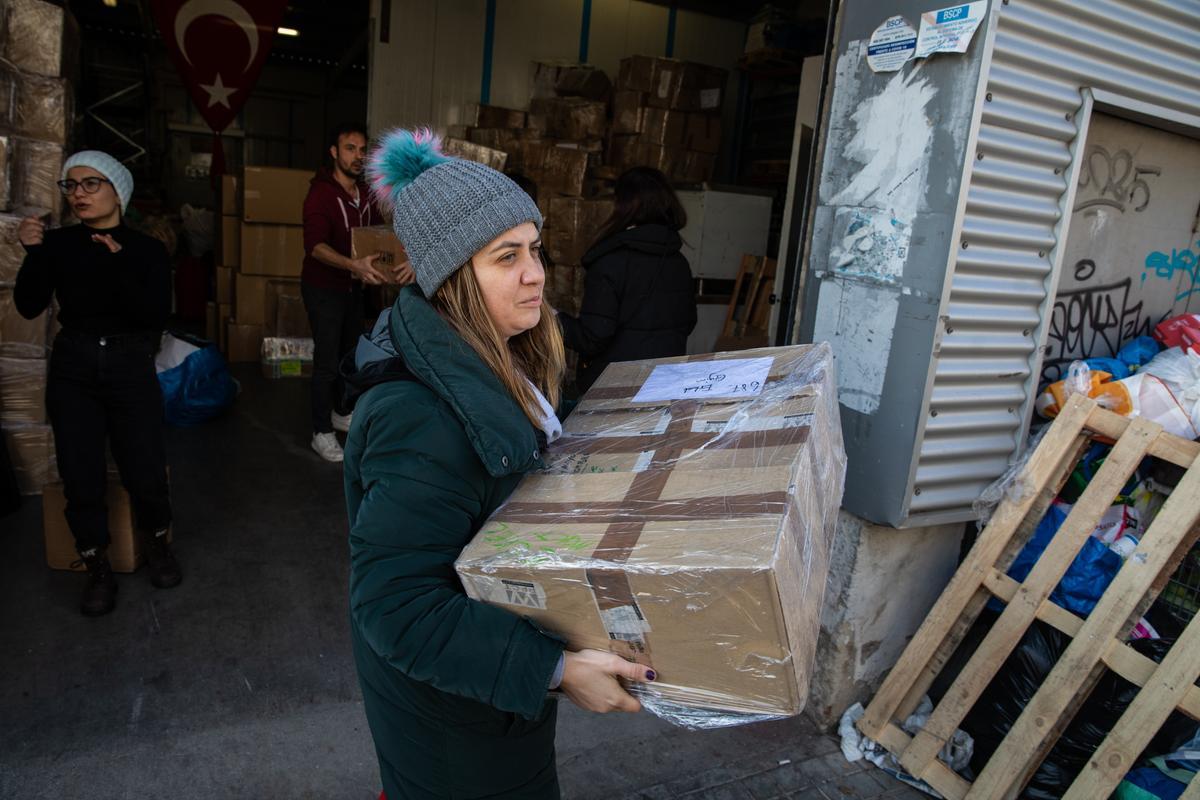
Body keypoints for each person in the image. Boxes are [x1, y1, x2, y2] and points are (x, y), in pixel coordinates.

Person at [343, 129, 656, 799]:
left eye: (535, 249)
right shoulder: (420, 417)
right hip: (453, 722)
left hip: (488, 703)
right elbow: (395, 606)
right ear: (453, 277)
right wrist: (554, 670)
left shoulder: (499, 359)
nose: (536, 271)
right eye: (506, 256)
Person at [14, 150, 180, 617]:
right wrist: (32, 255)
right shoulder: (58, 244)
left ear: (117, 192)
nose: (79, 195)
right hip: (75, 364)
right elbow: (29, 306)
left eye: (91, 184)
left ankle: (159, 547)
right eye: (71, 186)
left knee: (145, 470)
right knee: (81, 475)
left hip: (129, 363)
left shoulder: (145, 250)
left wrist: (120, 265)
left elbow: (152, 317)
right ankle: (96, 566)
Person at [558, 166, 697, 393]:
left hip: (612, 389)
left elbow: (593, 337)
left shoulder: (610, 261)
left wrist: (552, 319)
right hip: (665, 383)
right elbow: (688, 323)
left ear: (621, 206)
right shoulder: (678, 261)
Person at [302, 122, 394, 463]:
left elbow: (378, 237)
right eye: (350, 149)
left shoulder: (366, 194)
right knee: (326, 361)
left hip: (354, 289)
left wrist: (382, 268)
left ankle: (341, 412)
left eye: (362, 150)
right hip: (323, 289)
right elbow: (315, 247)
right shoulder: (321, 195)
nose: (358, 156)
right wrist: (353, 266)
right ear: (334, 153)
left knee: (350, 355)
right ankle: (320, 432)